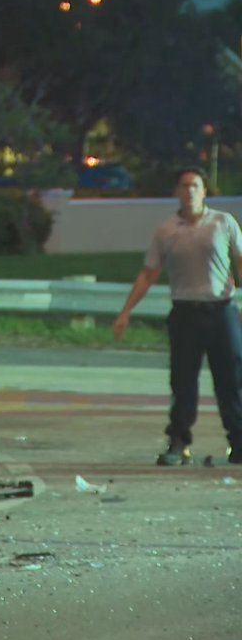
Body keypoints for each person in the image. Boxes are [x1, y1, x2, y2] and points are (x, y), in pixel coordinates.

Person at [113, 167, 242, 466]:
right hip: (185, 313)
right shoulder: (167, 230)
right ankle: (179, 442)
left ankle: (238, 440)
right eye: (184, 186)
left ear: (204, 191)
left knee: (231, 378)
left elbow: (239, 261)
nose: (190, 191)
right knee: (182, 379)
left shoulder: (223, 223)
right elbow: (148, 273)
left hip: (221, 311)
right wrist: (126, 311)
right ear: (177, 192)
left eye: (195, 185)